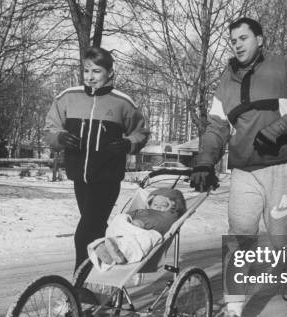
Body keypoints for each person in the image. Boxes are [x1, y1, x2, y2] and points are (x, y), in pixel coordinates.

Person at [189, 17, 287, 317]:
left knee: (279, 237)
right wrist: (205, 162)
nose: (237, 44)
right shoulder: (225, 84)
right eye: (233, 39)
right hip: (244, 170)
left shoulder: (284, 68)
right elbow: (216, 129)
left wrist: (278, 128)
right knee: (239, 237)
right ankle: (233, 312)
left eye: (244, 37)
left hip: (283, 165)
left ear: (260, 40)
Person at [44, 47, 150, 272]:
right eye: (86, 71)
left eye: (97, 71)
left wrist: (128, 143)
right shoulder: (68, 97)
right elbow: (50, 129)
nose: (90, 77)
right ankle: (104, 284)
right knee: (96, 230)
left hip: (107, 178)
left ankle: (78, 286)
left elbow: (141, 133)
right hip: (79, 176)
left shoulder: (123, 102)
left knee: (84, 232)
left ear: (110, 73)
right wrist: (60, 137)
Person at [88, 188, 187, 268]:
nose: (158, 207)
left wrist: (143, 223)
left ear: (172, 206)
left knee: (144, 239)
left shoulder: (169, 216)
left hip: (147, 232)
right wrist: (128, 219)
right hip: (128, 229)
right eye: (155, 204)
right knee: (119, 218)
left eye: (164, 205)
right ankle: (109, 246)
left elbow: (163, 222)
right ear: (150, 203)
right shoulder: (144, 211)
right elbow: (131, 214)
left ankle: (121, 253)